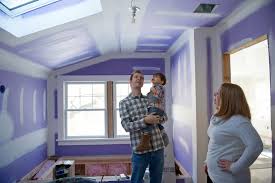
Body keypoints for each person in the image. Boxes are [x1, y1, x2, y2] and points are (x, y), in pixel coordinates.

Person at [205, 83, 263, 183]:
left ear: (227, 98)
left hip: (229, 179)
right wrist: (208, 162)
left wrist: (234, 167)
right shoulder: (218, 117)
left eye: (218, 93)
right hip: (213, 175)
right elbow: (214, 143)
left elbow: (256, 146)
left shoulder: (239, 121)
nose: (214, 94)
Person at [119, 70, 167, 183]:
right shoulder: (124, 103)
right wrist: (145, 121)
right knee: (136, 180)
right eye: (136, 77)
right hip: (140, 151)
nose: (139, 79)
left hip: (158, 146)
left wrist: (157, 119)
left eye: (141, 78)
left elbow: (165, 117)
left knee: (157, 180)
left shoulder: (150, 98)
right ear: (130, 81)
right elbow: (126, 126)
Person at [136, 72, 168, 152]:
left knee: (148, 122)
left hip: (156, 108)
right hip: (155, 108)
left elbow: (157, 98)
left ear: (162, 82)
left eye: (156, 77)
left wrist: (152, 90)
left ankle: (145, 141)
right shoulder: (155, 88)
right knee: (156, 124)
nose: (153, 78)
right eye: (153, 77)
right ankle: (164, 137)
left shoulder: (159, 87)